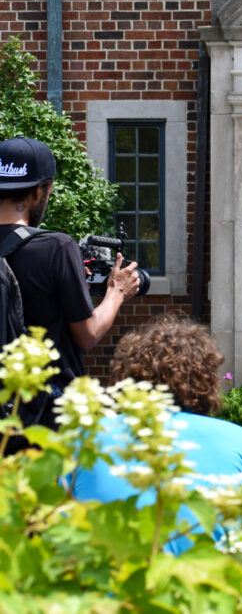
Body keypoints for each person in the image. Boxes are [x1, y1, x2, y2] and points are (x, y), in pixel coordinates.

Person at [72, 314, 242, 554]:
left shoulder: (84, 439)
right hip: (207, 584)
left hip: (110, 583)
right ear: (206, 379)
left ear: (126, 376)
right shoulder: (238, 440)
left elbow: (64, 538)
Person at [0, 137, 139, 436]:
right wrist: (116, 292)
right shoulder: (56, 247)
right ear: (40, 191)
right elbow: (87, 335)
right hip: (41, 419)